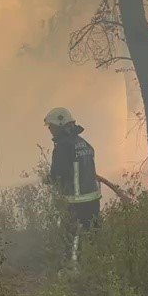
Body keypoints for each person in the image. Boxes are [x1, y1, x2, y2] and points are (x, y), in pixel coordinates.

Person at [44, 107, 102, 261]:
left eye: (51, 126)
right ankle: (94, 266)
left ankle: (71, 271)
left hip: (75, 201)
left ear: (60, 125)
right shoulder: (83, 143)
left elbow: (58, 174)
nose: (50, 130)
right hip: (93, 200)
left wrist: (48, 178)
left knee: (69, 239)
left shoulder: (63, 146)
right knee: (92, 236)